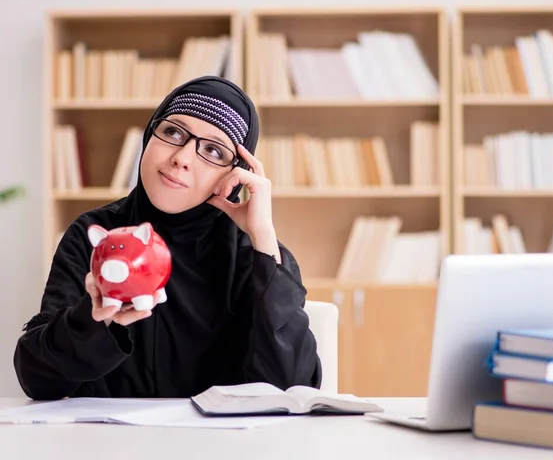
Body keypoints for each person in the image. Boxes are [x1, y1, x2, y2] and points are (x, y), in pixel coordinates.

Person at [14, 76, 322, 400]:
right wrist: (93, 322)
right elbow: (37, 379)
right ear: (149, 135)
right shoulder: (94, 234)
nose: (182, 158)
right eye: (174, 132)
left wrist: (263, 237)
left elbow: (292, 392)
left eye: (214, 151)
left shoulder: (252, 254)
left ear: (234, 175)